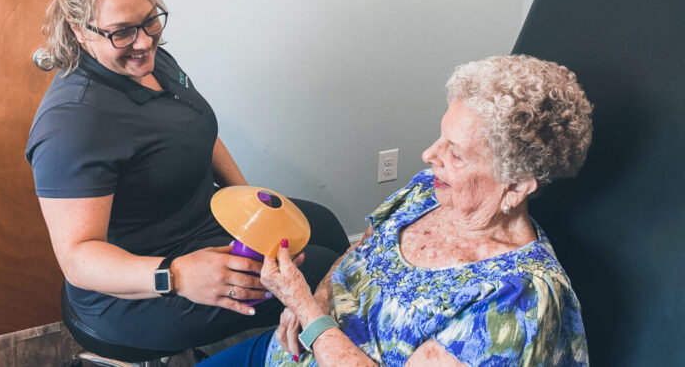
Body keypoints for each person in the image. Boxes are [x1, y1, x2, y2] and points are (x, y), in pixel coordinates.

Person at [25, 0, 350, 354]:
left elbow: (198, 131)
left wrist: (253, 211)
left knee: (321, 225)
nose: (143, 42)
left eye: (149, 21)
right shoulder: (73, 123)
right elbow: (77, 259)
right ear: (78, 30)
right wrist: (174, 276)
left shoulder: (152, 63)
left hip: (196, 221)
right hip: (135, 287)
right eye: (121, 31)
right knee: (322, 273)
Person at [196, 55, 592, 366]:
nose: (429, 155)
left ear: (518, 185)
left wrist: (304, 308)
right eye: (441, 138)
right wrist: (315, 300)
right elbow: (359, 255)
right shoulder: (428, 190)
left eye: (455, 153)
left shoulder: (518, 298)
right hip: (293, 353)